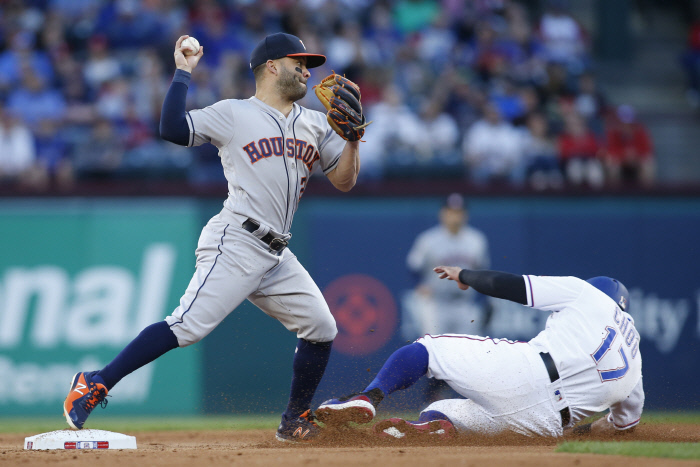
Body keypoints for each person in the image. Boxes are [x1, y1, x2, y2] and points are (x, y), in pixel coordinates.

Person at [63, 32, 366, 443]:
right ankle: (95, 382)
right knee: (187, 326)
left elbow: (345, 181)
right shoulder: (234, 113)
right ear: (272, 66)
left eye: (307, 65)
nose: (307, 72)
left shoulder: (315, 123)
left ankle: (294, 419)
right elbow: (172, 128)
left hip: (277, 253)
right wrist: (182, 71)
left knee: (321, 326)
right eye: (298, 63)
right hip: (237, 240)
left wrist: (352, 141)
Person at [317, 267, 643, 439]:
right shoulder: (636, 359)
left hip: (529, 372)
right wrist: (577, 432)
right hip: (545, 425)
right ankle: (424, 432)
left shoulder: (587, 294)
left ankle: (369, 396)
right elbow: (623, 426)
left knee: (430, 349)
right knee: (444, 410)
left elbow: (515, 286)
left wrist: (466, 276)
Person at [404, 193, 491, 339]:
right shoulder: (429, 240)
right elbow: (413, 266)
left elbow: (482, 272)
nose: (455, 216)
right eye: (451, 212)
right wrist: (419, 284)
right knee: (434, 347)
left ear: (466, 215)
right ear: (442, 214)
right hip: (436, 304)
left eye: (459, 212)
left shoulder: (476, 240)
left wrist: (483, 301)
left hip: (465, 304)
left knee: (468, 348)